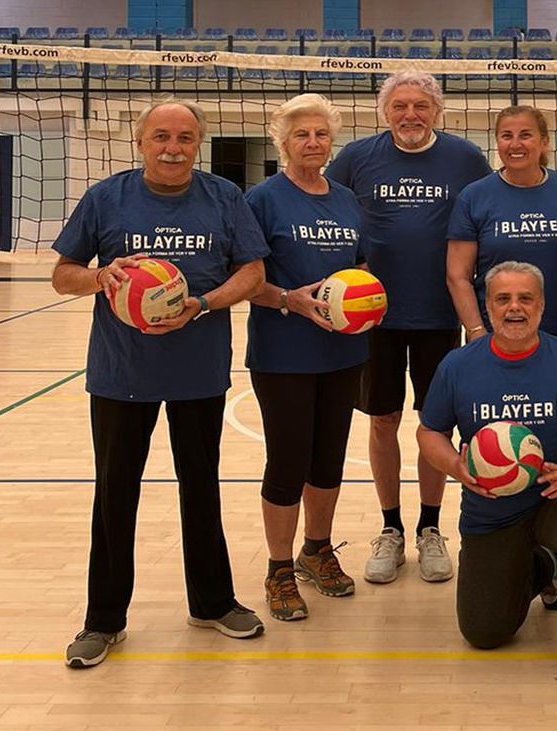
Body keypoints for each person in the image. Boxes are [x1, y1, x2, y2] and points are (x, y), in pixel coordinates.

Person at [51, 97, 268, 668]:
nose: (173, 148)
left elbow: (252, 272)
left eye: (185, 139)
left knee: (201, 487)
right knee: (114, 495)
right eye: (161, 137)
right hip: (122, 374)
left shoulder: (224, 197)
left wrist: (202, 304)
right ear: (141, 142)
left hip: (198, 368)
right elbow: (61, 276)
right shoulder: (106, 198)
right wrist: (100, 276)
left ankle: (213, 602)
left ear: (198, 144)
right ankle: (103, 621)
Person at [417, 261, 557, 690]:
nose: (515, 308)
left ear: (542, 305)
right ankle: (546, 570)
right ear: (487, 307)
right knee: (484, 632)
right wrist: (456, 465)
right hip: (493, 510)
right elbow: (429, 431)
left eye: (525, 298)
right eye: (503, 299)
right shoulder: (458, 366)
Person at [325, 72, 492, 586]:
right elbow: (327, 212)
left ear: (437, 110)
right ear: (385, 112)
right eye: (399, 106)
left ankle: (430, 528)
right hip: (371, 315)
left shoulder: (465, 158)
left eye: (420, 105)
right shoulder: (356, 158)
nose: (410, 114)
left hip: (441, 314)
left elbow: (486, 220)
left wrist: (477, 317)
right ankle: (391, 528)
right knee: (381, 420)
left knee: (434, 425)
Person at [244, 93, 367, 622]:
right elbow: (244, 278)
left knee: (328, 458)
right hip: (283, 351)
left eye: (320, 133)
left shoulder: (346, 199)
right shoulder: (262, 199)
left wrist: (366, 301)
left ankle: (317, 549)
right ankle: (278, 569)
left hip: (342, 350)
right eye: (301, 135)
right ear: (283, 142)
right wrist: (286, 299)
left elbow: (356, 270)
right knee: (288, 461)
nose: (313, 142)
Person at [446, 105, 557, 347]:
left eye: (525, 135)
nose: (515, 144)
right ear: (497, 141)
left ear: (544, 142)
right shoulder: (474, 197)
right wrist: (476, 330)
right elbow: (458, 276)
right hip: (498, 330)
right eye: (507, 136)